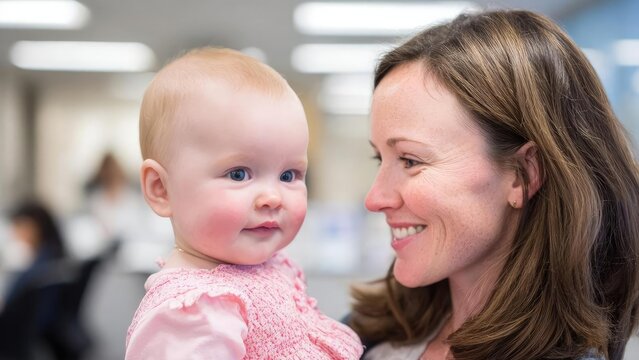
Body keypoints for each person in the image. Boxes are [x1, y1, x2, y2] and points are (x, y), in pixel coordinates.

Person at [349, 9, 639, 360]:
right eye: (381, 159)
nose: (374, 199)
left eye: (410, 161)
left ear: (523, 174)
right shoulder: (363, 335)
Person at [125, 48, 363, 359]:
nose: (273, 197)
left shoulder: (266, 268)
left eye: (289, 174)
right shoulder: (193, 312)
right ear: (161, 189)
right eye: (239, 174)